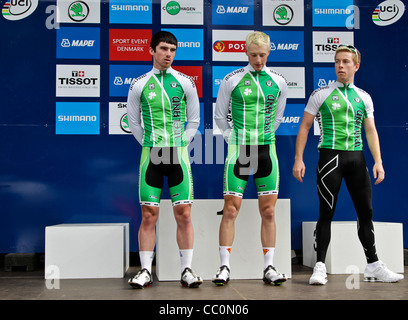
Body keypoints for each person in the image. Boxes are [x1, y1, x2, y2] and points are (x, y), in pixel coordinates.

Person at [292, 44, 404, 285]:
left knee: (366, 213)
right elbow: (304, 126)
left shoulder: (364, 97)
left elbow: (371, 131)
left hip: (357, 159)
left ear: (356, 66)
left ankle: (373, 265)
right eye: (337, 61)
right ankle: (319, 266)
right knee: (326, 213)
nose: (340, 66)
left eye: (345, 61)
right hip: (330, 159)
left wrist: (379, 162)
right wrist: (298, 159)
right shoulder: (320, 94)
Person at [126, 31, 202, 288]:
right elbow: (134, 122)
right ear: (151, 50)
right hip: (151, 155)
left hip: (178, 155)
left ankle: (187, 271)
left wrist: (181, 144)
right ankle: (145, 271)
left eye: (172, 50)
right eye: (163, 49)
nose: (168, 54)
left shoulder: (185, 82)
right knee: (148, 215)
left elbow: (194, 120)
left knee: (184, 213)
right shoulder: (138, 84)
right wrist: (150, 144)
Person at [213, 31, 288, 286]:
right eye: (254, 55)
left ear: (269, 53)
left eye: (263, 55)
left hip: (267, 150)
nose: (258, 59)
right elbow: (220, 116)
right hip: (239, 150)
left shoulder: (278, 81)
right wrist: (233, 140)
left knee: (268, 212)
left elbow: (278, 116)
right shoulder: (231, 80)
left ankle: (269, 268)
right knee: (231, 210)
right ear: (246, 52)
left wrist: (263, 135)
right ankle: (224, 267)